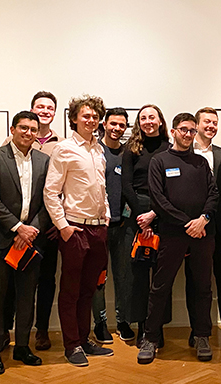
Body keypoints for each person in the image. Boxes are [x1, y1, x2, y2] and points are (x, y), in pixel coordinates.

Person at [138, 113, 218, 364]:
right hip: (173, 234)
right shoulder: (160, 161)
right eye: (184, 130)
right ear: (173, 131)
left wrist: (203, 219)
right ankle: (150, 339)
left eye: (192, 131)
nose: (188, 134)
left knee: (203, 287)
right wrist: (187, 223)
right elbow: (159, 201)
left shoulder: (201, 163)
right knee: (160, 287)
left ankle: (202, 335)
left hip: (202, 234)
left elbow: (213, 195)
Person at [44, 95, 115, 367]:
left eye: (95, 116)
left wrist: (106, 216)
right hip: (75, 229)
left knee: (90, 290)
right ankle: (71, 345)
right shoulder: (64, 149)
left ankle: (84, 339)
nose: (91, 120)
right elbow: (51, 191)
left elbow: (101, 187)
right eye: (86, 116)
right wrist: (63, 227)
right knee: (71, 290)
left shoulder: (99, 150)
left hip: (99, 230)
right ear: (74, 118)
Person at [0, 111, 50, 374]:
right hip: (1, 238)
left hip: (32, 240)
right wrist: (18, 227)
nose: (28, 133)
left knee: (26, 296)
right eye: (23, 128)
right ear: (13, 129)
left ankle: (22, 345)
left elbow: (49, 198)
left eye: (33, 129)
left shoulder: (44, 160)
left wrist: (32, 229)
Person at [0, 91, 63, 352]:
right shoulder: (9, 143)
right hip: (14, 230)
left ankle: (42, 330)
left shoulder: (61, 144)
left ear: (54, 112)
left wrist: (50, 224)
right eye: (40, 106)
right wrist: (17, 227)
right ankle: (7, 330)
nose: (45, 110)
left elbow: (61, 189)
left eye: (49, 107)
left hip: (45, 229)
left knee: (46, 281)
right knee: (11, 284)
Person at [185, 107, 221, 345]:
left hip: (219, 228)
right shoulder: (182, 153)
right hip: (191, 229)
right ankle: (196, 328)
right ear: (196, 125)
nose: (211, 126)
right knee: (195, 281)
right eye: (207, 122)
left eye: (215, 123)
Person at [121, 104, 171, 344]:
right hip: (137, 213)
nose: (148, 121)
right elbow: (127, 186)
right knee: (139, 275)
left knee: (162, 273)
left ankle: (157, 327)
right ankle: (142, 327)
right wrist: (143, 217)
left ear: (160, 121)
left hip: (164, 213)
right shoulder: (131, 149)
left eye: (153, 117)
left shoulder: (170, 149)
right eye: (143, 118)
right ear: (138, 123)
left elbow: (173, 188)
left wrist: (154, 214)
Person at [91, 107, 135, 344]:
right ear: (104, 124)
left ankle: (123, 321)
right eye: (113, 124)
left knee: (124, 276)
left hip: (124, 225)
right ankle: (100, 323)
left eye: (122, 125)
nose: (117, 128)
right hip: (98, 225)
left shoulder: (129, 153)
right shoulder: (95, 151)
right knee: (99, 277)